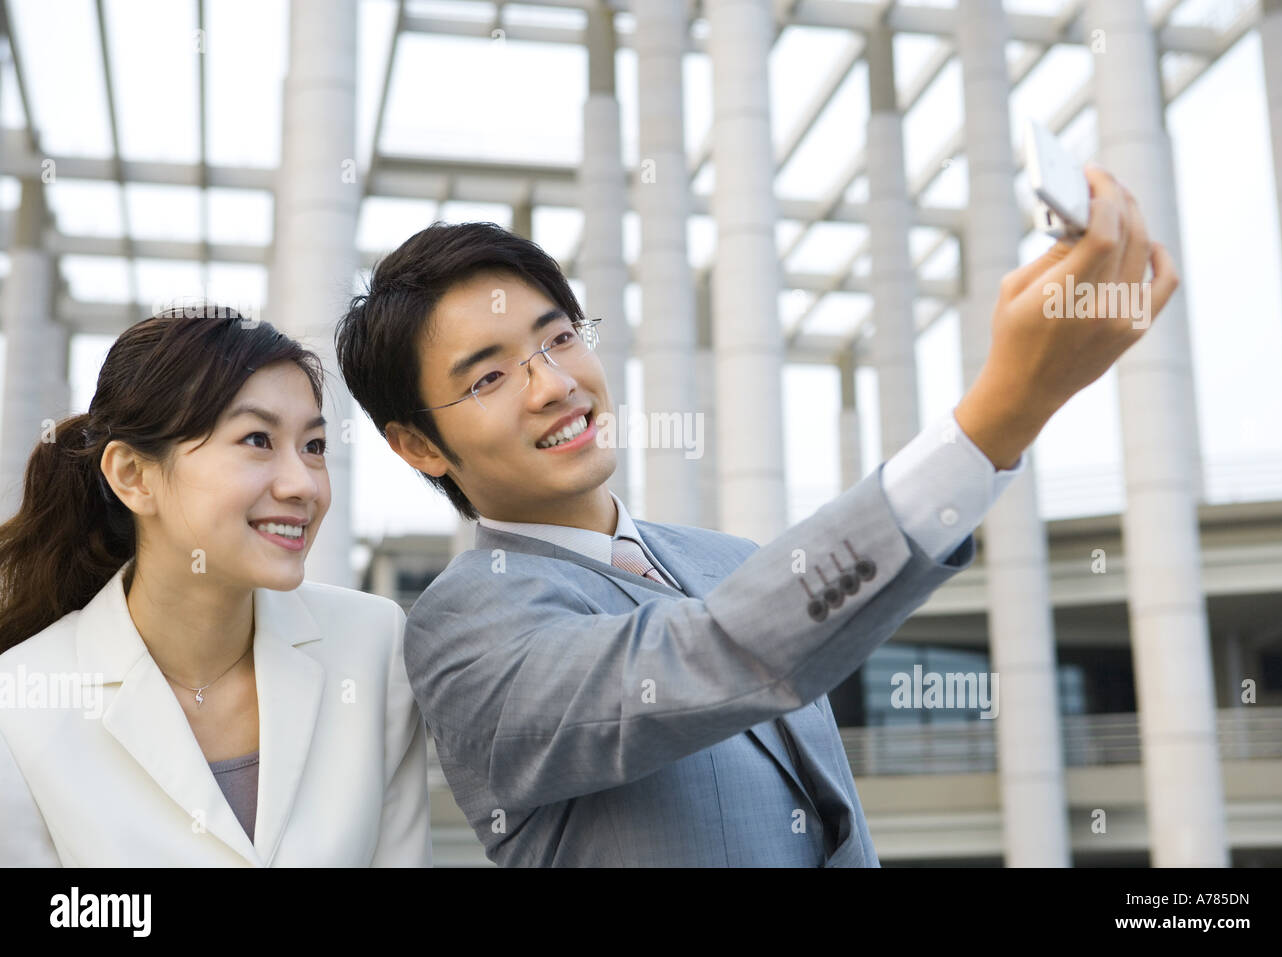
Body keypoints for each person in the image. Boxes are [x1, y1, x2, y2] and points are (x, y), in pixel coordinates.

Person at [335, 164, 1177, 866]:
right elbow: (715, 653)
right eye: (489, 377)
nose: (554, 383)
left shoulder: (729, 563)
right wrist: (997, 417)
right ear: (419, 445)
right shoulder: (461, 628)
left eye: (559, 338)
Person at [0, 306, 432, 866]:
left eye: (315, 447)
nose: (302, 484)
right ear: (133, 476)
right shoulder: (21, 700)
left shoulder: (372, 646)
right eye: (257, 439)